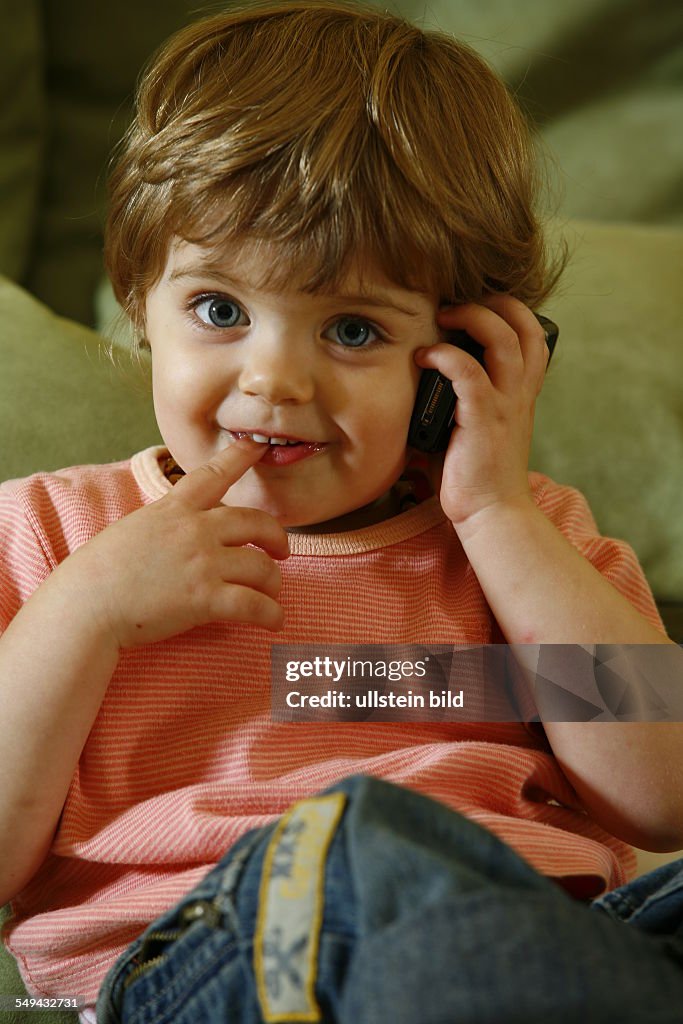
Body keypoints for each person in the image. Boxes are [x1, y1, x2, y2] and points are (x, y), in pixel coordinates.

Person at [1, 1, 682, 1020]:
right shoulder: (54, 534)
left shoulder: (529, 538)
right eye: (220, 310)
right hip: (228, 947)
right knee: (360, 838)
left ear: (462, 352)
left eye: (353, 327)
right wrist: (82, 612)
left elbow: (659, 792)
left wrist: (494, 515)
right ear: (139, 295)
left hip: (551, 935)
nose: (274, 377)